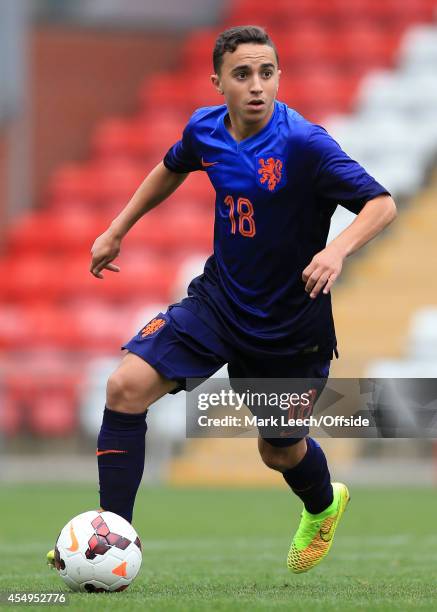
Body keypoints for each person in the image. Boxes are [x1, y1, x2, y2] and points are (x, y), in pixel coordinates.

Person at [48, 25, 396, 574]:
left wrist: (337, 250)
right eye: (242, 75)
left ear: (278, 77)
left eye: (267, 73)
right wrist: (117, 228)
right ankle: (107, 539)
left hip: (289, 324)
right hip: (218, 303)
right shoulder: (205, 130)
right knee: (124, 388)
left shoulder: (304, 143)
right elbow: (171, 167)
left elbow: (380, 203)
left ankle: (325, 504)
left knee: (278, 450)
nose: (257, 86)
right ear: (218, 84)